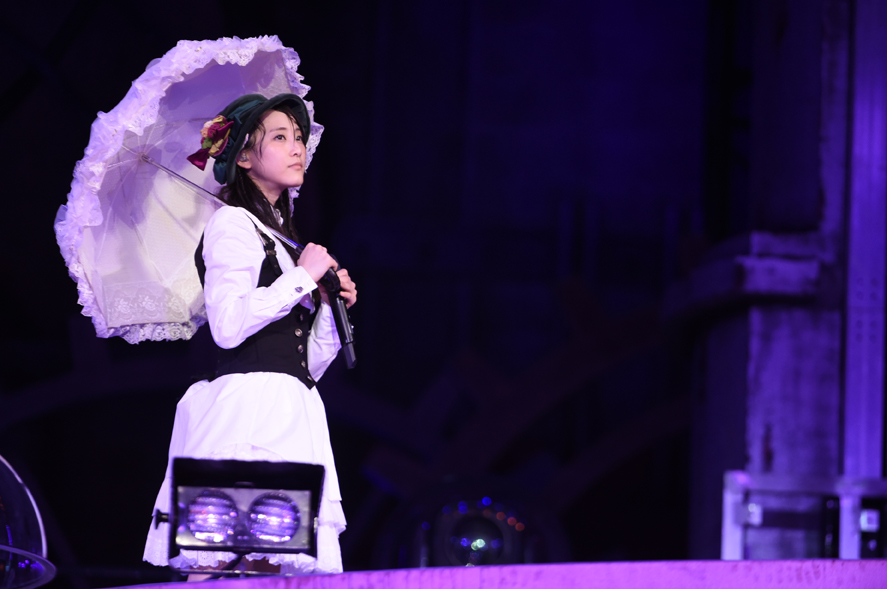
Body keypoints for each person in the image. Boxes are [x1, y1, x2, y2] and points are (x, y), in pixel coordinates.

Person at [142, 93, 356, 576]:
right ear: (243, 157)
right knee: (219, 564)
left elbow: (304, 366)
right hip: (246, 415)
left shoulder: (280, 239)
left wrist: (328, 305)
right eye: (279, 137)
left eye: (298, 137)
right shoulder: (233, 224)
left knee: (266, 568)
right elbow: (228, 325)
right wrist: (301, 278)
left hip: (289, 410)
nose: (296, 147)